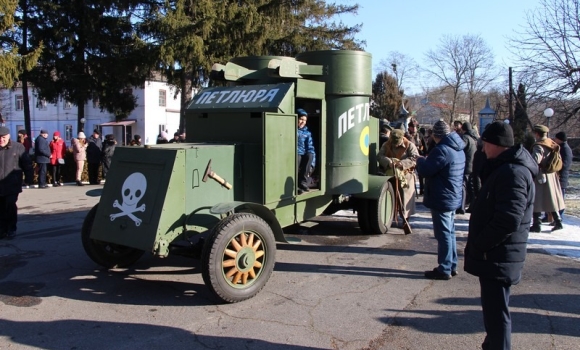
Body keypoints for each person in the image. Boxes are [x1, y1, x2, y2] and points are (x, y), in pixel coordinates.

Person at [464, 121, 537, 350]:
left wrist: (480, 244)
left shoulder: (513, 173)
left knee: (497, 317)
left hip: (498, 255)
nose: (483, 149)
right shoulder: (506, 168)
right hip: (497, 256)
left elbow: (508, 220)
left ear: (497, 144)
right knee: (495, 314)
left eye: (486, 144)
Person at [416, 120, 465, 280]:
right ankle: (452, 265)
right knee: (449, 232)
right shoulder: (458, 148)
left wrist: (420, 160)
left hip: (442, 197)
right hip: (452, 196)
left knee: (443, 234)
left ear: (437, 135)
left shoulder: (442, 150)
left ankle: (444, 268)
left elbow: (426, 170)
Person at [530, 125, 565, 232]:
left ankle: (537, 224)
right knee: (551, 200)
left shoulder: (539, 146)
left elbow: (534, 161)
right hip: (552, 175)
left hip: (541, 176)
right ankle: (558, 221)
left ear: (537, 134)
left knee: (537, 200)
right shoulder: (551, 143)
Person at [378, 128, 419, 219]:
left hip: (406, 176)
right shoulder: (386, 144)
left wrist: (402, 163)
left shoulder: (409, 145)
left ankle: (405, 218)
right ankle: (389, 217)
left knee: (405, 199)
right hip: (390, 175)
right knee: (391, 198)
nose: (395, 145)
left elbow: (415, 158)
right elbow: (380, 156)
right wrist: (388, 161)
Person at [0, 126, 33, 239]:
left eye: (3, 137)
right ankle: (2, 229)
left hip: (12, 184)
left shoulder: (18, 147)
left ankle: (11, 228)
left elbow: (27, 164)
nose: (1, 140)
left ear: (8, 136)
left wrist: (29, 179)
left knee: (10, 205)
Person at [458, 122, 478, 213]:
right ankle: (473, 206)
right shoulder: (474, 138)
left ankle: (461, 207)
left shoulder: (465, 138)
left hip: (465, 166)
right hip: (472, 165)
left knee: (463, 186)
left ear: (463, 129)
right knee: (471, 188)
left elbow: (460, 148)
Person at [296, 108, 316, 195]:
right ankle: (295, 185)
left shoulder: (307, 133)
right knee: (297, 157)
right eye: (301, 119)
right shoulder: (292, 129)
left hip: (303, 154)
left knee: (310, 155)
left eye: (304, 120)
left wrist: (312, 164)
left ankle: (303, 183)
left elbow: (310, 147)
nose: (302, 122)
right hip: (295, 154)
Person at [553, 131, 572, 220]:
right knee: (554, 198)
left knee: (560, 198)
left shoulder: (565, 149)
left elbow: (565, 164)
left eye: (556, 138)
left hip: (561, 178)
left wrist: (556, 167)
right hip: (558, 176)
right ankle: (552, 216)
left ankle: (559, 216)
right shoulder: (560, 148)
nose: (555, 140)